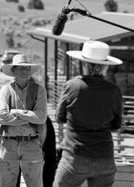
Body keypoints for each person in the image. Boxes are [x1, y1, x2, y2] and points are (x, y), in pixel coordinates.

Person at [53, 40, 123, 187]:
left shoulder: (73, 86)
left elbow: (59, 117)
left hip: (75, 156)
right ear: (105, 67)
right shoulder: (114, 90)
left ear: (84, 64)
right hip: (105, 158)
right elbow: (116, 125)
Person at [0, 53, 48, 187]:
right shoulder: (5, 91)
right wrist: (29, 118)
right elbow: (1, 116)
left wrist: (16, 112)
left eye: (27, 68)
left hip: (31, 143)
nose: (24, 71)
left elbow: (42, 117)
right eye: (20, 68)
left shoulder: (39, 90)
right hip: (9, 145)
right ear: (13, 70)